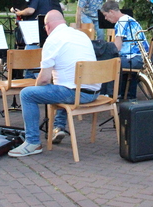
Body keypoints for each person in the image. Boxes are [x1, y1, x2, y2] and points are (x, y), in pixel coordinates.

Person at [8, 10, 100, 157]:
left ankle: (32, 142)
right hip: (95, 91)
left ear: (48, 26)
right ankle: (58, 127)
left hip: (76, 94)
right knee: (63, 85)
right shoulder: (81, 35)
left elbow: (44, 79)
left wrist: (37, 90)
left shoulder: (52, 40)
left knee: (27, 94)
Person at [100, 0, 149, 99]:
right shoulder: (129, 19)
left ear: (111, 12)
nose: (105, 18)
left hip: (135, 59)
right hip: (142, 58)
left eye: (105, 15)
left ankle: (109, 94)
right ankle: (124, 94)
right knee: (114, 60)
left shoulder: (121, 22)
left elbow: (117, 47)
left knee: (106, 63)